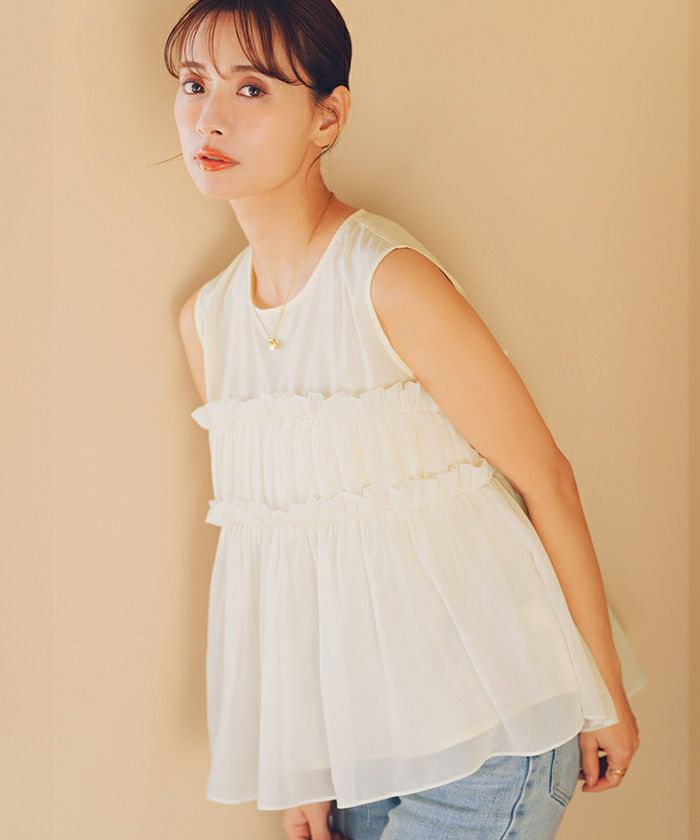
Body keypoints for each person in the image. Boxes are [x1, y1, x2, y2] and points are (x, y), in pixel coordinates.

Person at [167, 2, 647, 838]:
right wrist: (303, 768)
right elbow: (275, 555)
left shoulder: (387, 279)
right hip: (362, 750)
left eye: (251, 88)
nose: (209, 118)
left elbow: (546, 479)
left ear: (328, 117)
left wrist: (601, 692)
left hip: (493, 729)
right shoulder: (208, 322)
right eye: (193, 83)